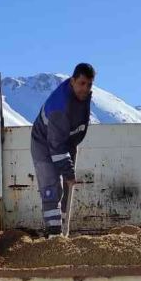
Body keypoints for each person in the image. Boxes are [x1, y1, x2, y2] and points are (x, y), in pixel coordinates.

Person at [30, 63, 95, 237]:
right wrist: (68, 172)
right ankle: (54, 238)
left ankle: (63, 228)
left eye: (89, 84)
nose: (86, 89)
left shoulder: (82, 98)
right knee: (52, 187)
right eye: (82, 83)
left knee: (68, 188)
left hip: (66, 142)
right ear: (73, 81)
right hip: (43, 143)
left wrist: (69, 167)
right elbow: (56, 147)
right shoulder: (59, 106)